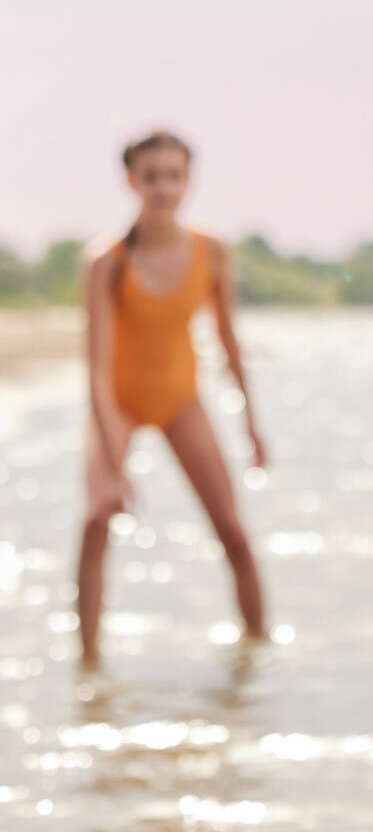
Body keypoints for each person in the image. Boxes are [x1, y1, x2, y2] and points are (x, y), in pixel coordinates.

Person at [78, 130, 267, 668]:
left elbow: (229, 341)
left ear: (189, 181)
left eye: (173, 175)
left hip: (180, 398)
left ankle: (256, 661)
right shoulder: (106, 261)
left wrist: (251, 423)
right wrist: (114, 466)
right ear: (131, 182)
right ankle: (88, 669)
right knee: (96, 520)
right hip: (117, 400)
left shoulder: (213, 252)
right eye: (151, 176)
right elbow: (95, 365)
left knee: (234, 532)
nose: (163, 187)